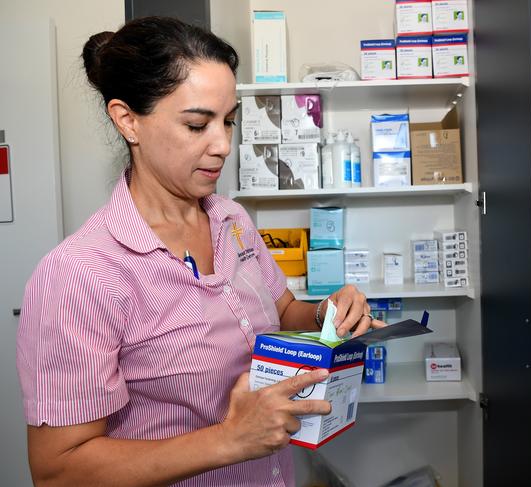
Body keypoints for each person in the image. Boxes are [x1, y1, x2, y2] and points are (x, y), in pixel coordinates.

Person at [16, 16, 384, 487]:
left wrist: (325, 315)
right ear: (127, 119)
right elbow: (57, 471)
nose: (224, 144)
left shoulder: (232, 220)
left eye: (229, 120)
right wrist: (229, 440)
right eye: (197, 124)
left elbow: (282, 309)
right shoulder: (80, 274)